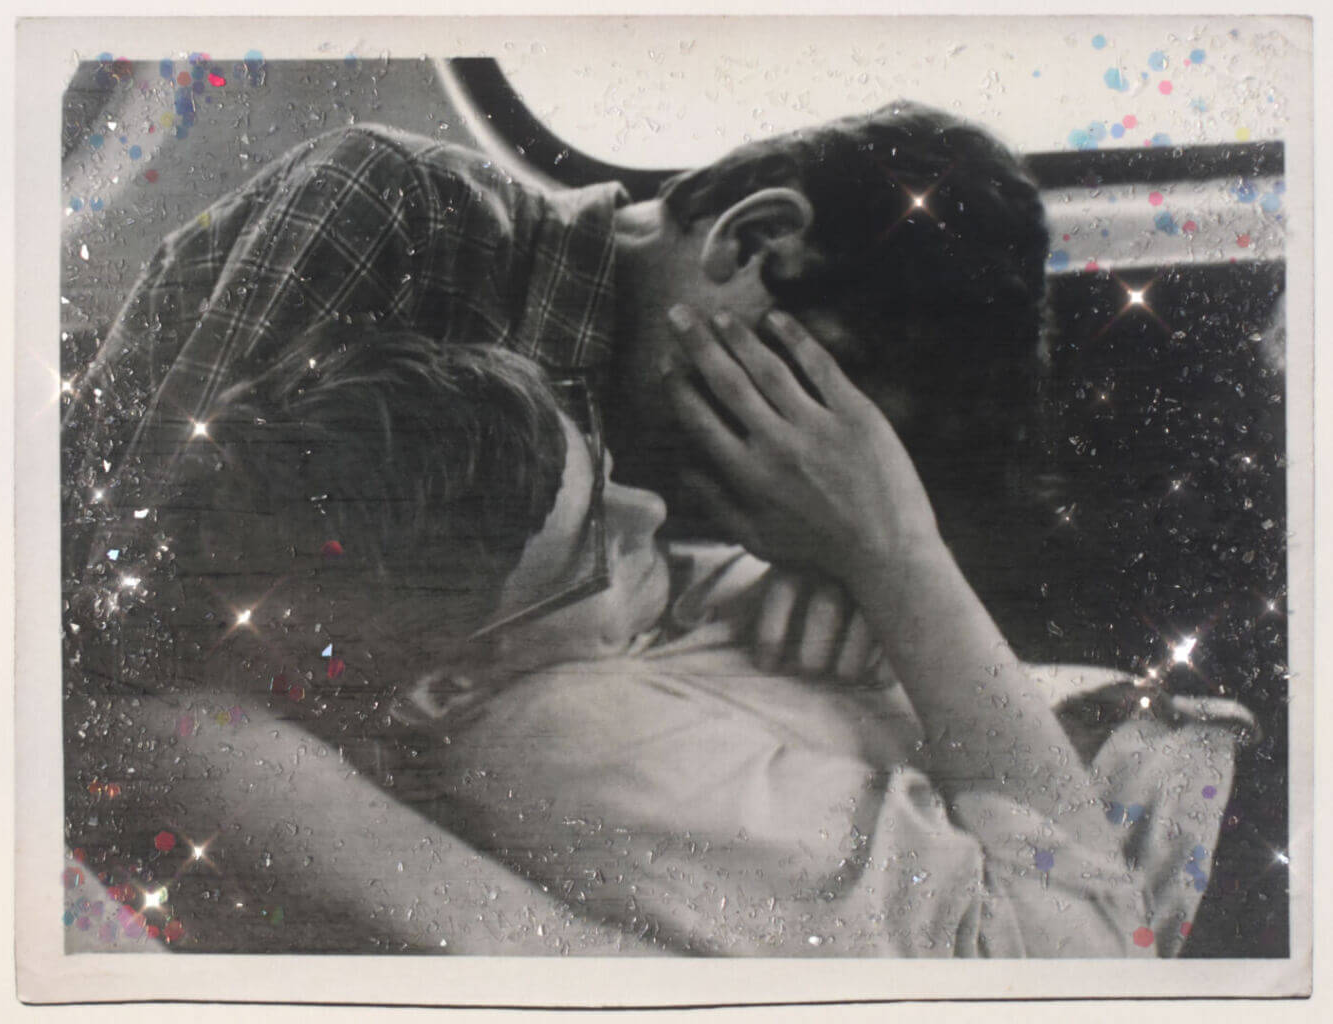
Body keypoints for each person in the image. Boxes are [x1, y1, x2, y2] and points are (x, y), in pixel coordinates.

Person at [133, 322, 1250, 958]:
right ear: (442, 685)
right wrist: (898, 560)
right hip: (1204, 862)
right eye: (596, 544)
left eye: (608, 473)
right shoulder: (573, 746)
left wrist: (842, 605)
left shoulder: (565, 633)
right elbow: (1069, 958)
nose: (653, 516)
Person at [63, 101, 1051, 672]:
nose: (792, 476)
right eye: (799, 405)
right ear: (753, 243)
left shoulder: (663, 427)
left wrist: (847, 566)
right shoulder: (399, 213)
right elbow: (131, 620)